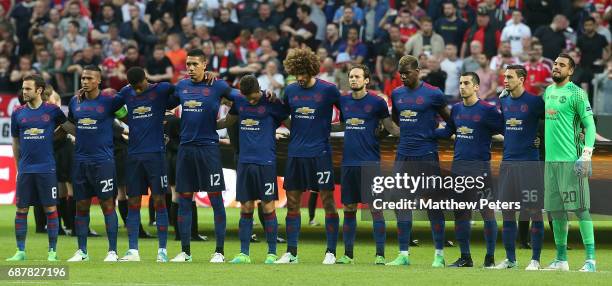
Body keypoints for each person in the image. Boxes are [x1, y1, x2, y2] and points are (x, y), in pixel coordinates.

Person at [275, 48, 341, 264]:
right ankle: (291, 252)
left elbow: (348, 116)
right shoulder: (291, 90)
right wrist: (297, 129)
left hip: (320, 154)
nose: (300, 77)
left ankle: (330, 252)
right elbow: (282, 115)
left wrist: (324, 129)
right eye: (297, 73)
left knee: (328, 201)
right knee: (292, 203)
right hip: (296, 154)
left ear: (312, 69)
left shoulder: (329, 90)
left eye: (304, 72)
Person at [170, 49, 233, 263]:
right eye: (188, 64)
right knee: (184, 199)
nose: (190, 68)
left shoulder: (218, 86)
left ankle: (219, 252)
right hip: (186, 149)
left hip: (208, 150)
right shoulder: (181, 86)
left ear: (204, 65)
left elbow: (240, 102)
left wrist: (225, 123)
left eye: (194, 64)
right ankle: (185, 251)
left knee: (216, 200)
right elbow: (163, 102)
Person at [217, 75, 288, 264]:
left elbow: (289, 122)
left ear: (260, 89)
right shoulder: (239, 101)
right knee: (246, 207)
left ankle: (272, 253)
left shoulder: (271, 101)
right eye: (246, 97)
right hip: (245, 162)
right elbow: (227, 121)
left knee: (268, 206)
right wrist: (206, 125)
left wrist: (286, 131)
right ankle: (244, 253)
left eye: (253, 96)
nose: (250, 100)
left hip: (266, 162)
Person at [332, 64, 399, 264]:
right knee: (349, 208)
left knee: (375, 209)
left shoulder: (377, 102)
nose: (353, 79)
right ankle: (348, 255)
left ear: (366, 80)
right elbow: (344, 124)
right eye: (351, 76)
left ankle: (380, 255)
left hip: (370, 163)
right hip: (349, 163)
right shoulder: (343, 101)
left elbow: (390, 128)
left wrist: (414, 131)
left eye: (357, 77)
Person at [436, 72, 504, 268]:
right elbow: (447, 132)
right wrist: (424, 131)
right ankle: (465, 257)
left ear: (476, 87)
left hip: (480, 169)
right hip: (459, 169)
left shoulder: (487, 110)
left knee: (486, 211)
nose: (462, 86)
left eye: (467, 83)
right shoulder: (456, 109)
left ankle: (490, 258)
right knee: (461, 213)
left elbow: (505, 129)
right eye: (460, 83)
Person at [391, 55, 451, 267]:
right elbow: (396, 119)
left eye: (407, 73)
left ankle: (439, 255)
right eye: (401, 74)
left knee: (432, 204)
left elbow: (450, 121)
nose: (403, 77)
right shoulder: (396, 93)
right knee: (401, 203)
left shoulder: (434, 94)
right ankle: (403, 254)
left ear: (418, 71)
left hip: (426, 155)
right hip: (403, 155)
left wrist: (436, 135)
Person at [65, 66, 127, 262]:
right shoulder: (75, 102)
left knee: (108, 204)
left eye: (89, 78)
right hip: (81, 161)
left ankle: (112, 251)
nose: (84, 81)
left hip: (103, 162)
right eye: (83, 78)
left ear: (98, 80)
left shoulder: (110, 101)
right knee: (81, 205)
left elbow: (126, 116)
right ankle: (82, 251)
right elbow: (72, 126)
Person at [114, 67, 177, 262]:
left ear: (146, 79)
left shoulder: (162, 89)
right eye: (134, 87)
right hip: (133, 155)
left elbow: (183, 92)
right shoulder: (126, 92)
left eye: (140, 86)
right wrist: (128, 119)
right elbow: (110, 106)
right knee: (133, 201)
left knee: (159, 200)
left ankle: (162, 251)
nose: (137, 90)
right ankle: (133, 250)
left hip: (156, 155)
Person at [542, 53, 597, 272]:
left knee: (581, 209)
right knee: (556, 212)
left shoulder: (577, 94)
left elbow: (590, 127)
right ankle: (561, 259)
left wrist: (585, 156)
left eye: (562, 65)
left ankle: (590, 260)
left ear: (571, 71)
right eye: (555, 64)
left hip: (571, 161)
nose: (556, 67)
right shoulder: (548, 91)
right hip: (550, 163)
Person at [6, 75, 69, 262]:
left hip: (46, 168)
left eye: (27, 89)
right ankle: (20, 251)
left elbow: (66, 127)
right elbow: (16, 142)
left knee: (50, 208)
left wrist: (52, 137)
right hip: (26, 169)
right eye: (23, 88)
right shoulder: (18, 113)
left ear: (39, 90)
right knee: (21, 210)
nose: (23, 92)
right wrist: (19, 166)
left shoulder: (52, 111)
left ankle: (52, 251)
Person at [496, 65, 545, 270]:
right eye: (504, 76)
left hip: (529, 165)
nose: (505, 80)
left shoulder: (534, 102)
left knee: (534, 212)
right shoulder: (503, 100)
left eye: (509, 77)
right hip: (507, 163)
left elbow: (550, 122)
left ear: (522, 79)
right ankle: (511, 259)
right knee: (507, 212)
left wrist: (540, 138)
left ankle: (535, 260)